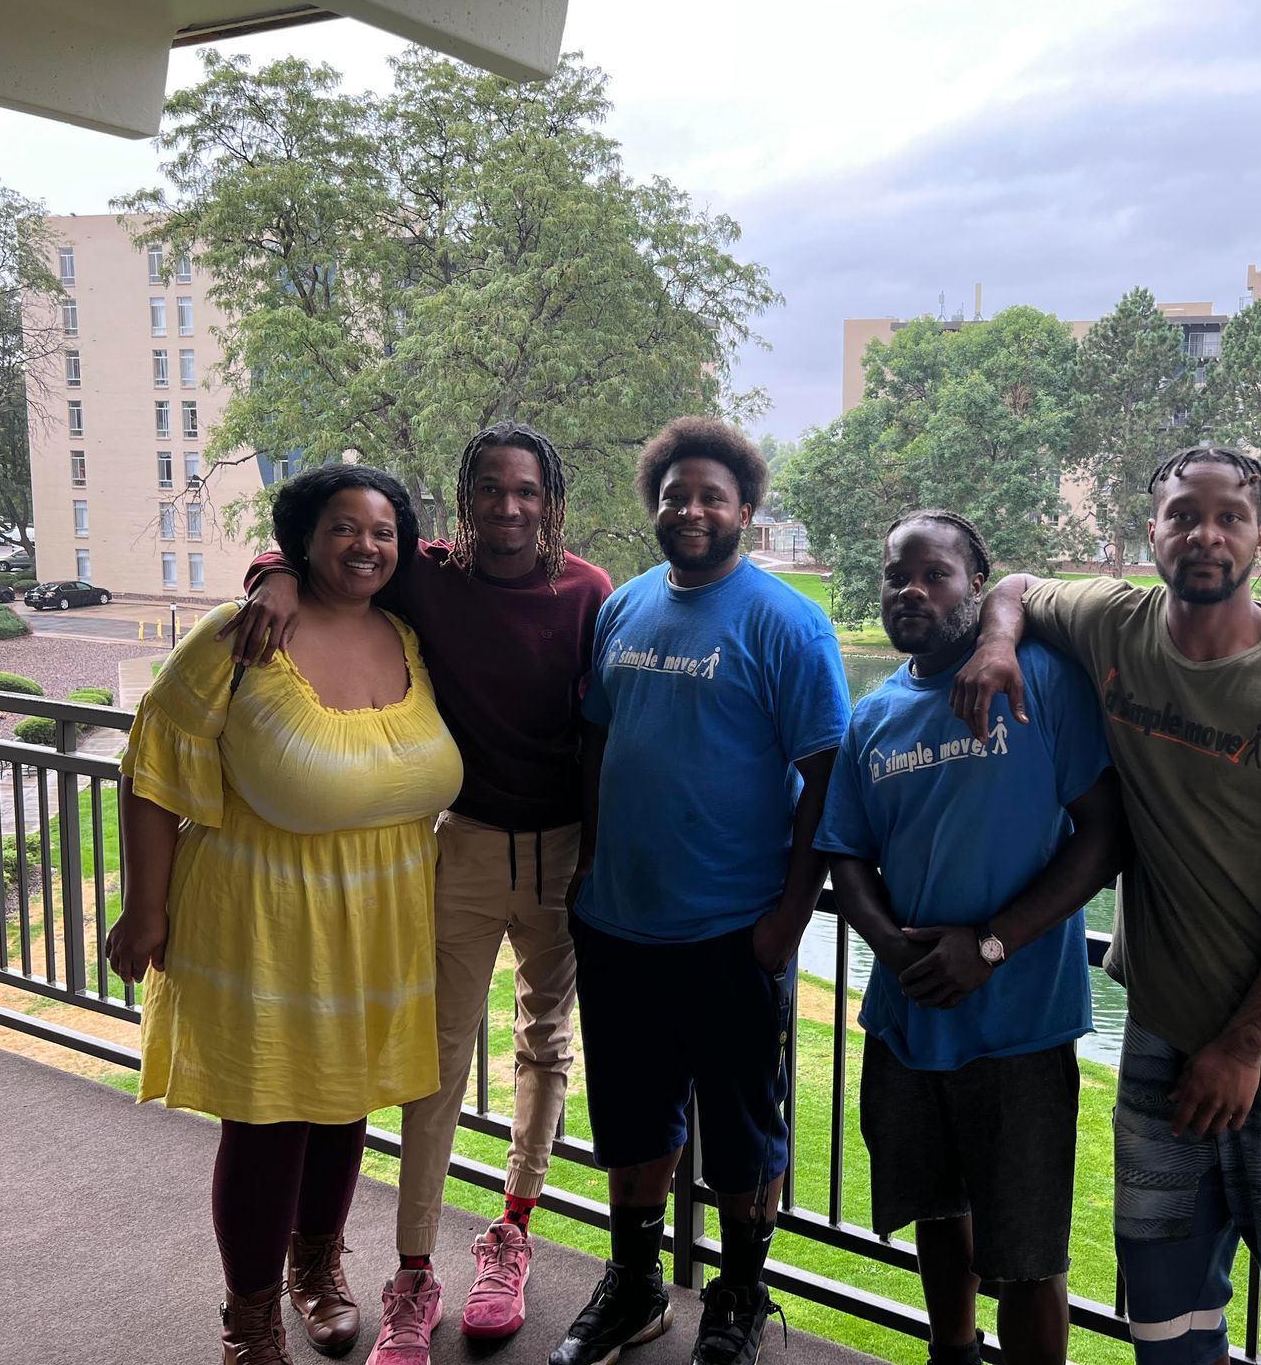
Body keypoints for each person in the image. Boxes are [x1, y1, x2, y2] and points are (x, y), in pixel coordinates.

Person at [950, 446, 1261, 1365]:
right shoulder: (1116, 623)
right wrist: (998, 642)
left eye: (1229, 517)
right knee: (1168, 1329)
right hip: (1161, 1050)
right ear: (1149, 533)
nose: (1206, 534)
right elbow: (1023, 587)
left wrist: (1243, 1045)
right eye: (1184, 515)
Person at [225, 424, 611, 1365]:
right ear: (465, 495)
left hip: (565, 854)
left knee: (545, 1045)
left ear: (550, 497)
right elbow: (331, 551)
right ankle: (410, 1270)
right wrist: (269, 574)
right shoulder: (428, 573)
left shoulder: (591, 591)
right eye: (488, 488)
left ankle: (511, 1230)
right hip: (466, 846)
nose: (507, 506)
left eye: (525, 490)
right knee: (432, 1056)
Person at [107, 464, 464, 1365]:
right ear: (302, 539)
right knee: (269, 1120)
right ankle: (250, 1318)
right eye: (345, 528)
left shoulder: (408, 637)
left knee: (344, 1110)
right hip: (262, 917)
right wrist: (142, 910)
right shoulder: (245, 635)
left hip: (377, 923)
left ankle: (317, 1274)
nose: (366, 546)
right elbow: (155, 758)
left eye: (383, 532)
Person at [553, 416, 850, 1365]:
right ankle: (637, 1287)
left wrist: (789, 916)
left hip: (734, 932)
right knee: (633, 1122)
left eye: (710, 496)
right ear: (656, 504)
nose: (690, 509)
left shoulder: (787, 622)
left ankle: (740, 1299)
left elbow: (827, 775)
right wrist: (592, 859)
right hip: (619, 922)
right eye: (675, 494)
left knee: (742, 1138)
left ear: (745, 512)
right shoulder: (626, 608)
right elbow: (599, 737)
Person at [817, 510, 1123, 1365]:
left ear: (975, 584)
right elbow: (847, 852)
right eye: (895, 576)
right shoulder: (873, 716)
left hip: (1019, 1026)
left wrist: (989, 946)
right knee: (938, 1215)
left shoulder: (1040, 682)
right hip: (912, 1016)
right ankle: (950, 1352)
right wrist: (892, 946)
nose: (910, 591)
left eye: (934, 575)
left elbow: (1104, 836)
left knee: (1026, 1255)